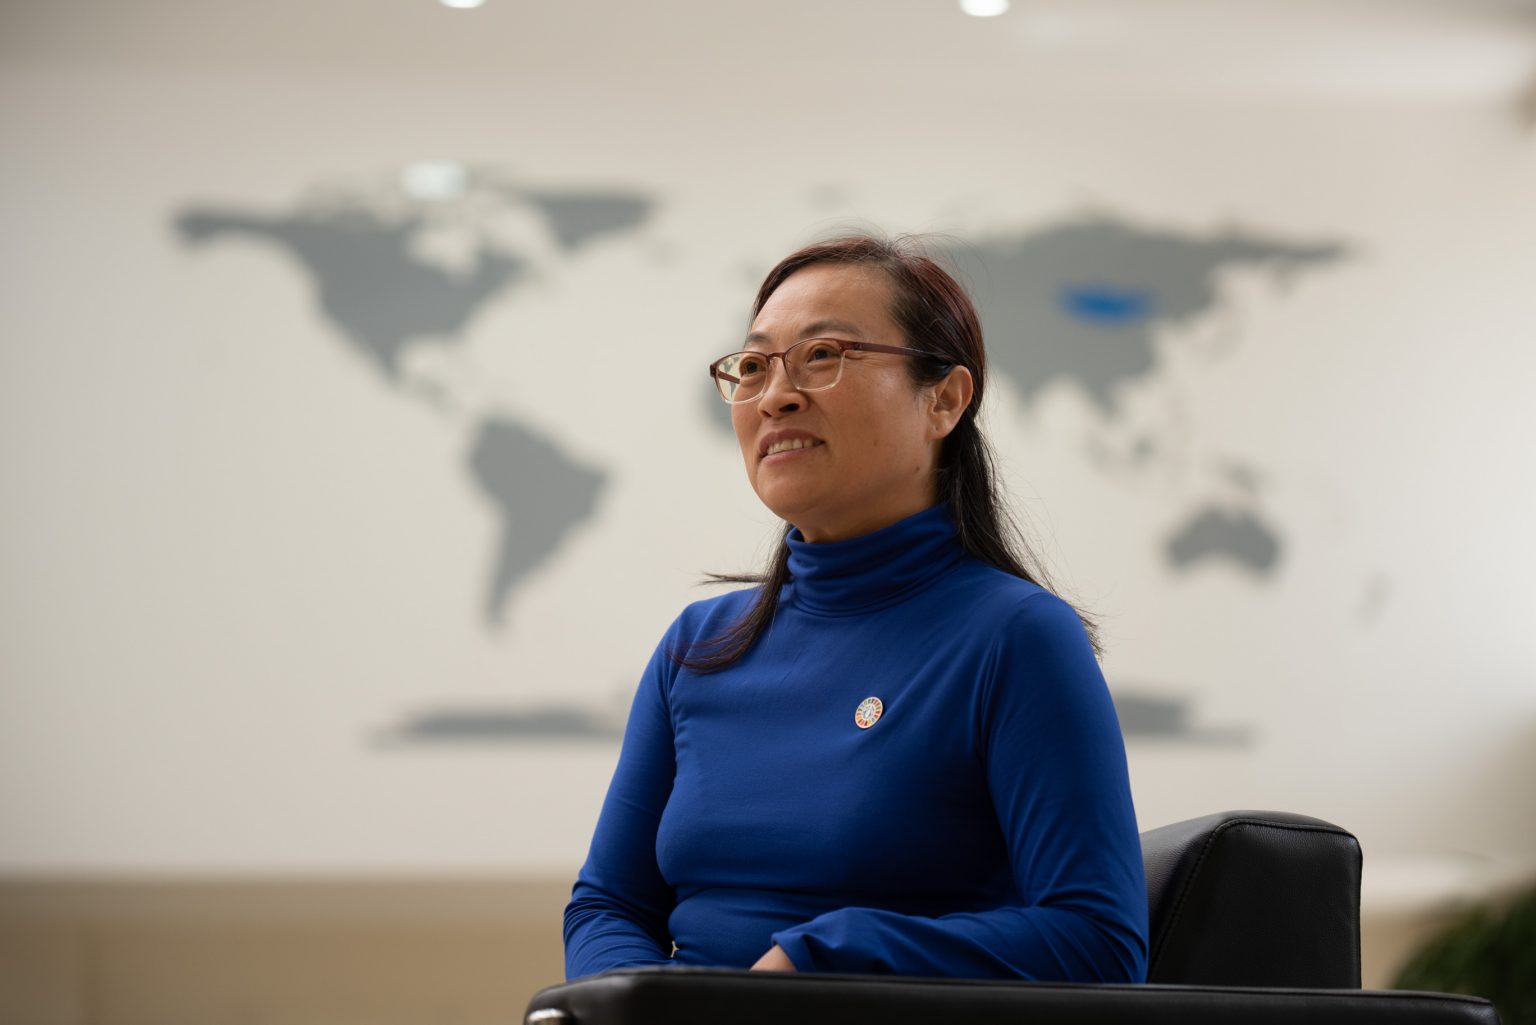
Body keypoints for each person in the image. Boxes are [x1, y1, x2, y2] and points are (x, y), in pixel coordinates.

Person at [563, 234, 1148, 981]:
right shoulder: (698, 646)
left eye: (823, 354)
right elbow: (607, 905)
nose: (775, 395)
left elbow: (1098, 944)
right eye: (754, 366)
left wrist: (825, 961)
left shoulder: (1017, 637)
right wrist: (640, 1004)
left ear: (944, 399)